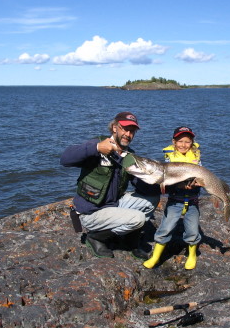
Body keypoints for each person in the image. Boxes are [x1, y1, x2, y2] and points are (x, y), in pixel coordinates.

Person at [60, 112, 160, 259]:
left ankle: (129, 242)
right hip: (91, 212)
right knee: (137, 218)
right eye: (124, 129)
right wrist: (97, 148)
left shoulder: (129, 156)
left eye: (132, 131)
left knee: (152, 199)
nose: (128, 134)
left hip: (113, 205)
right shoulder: (97, 144)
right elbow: (65, 159)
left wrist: (164, 185)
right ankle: (96, 237)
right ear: (114, 128)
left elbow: (142, 187)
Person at [143, 126, 202, 270]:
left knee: (193, 231)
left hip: (192, 202)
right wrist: (180, 186)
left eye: (187, 142)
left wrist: (196, 184)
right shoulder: (169, 160)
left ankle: (192, 255)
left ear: (192, 143)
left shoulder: (197, 160)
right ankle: (155, 257)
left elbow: (201, 178)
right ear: (173, 142)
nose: (183, 145)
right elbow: (165, 181)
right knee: (166, 228)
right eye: (180, 141)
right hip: (175, 201)